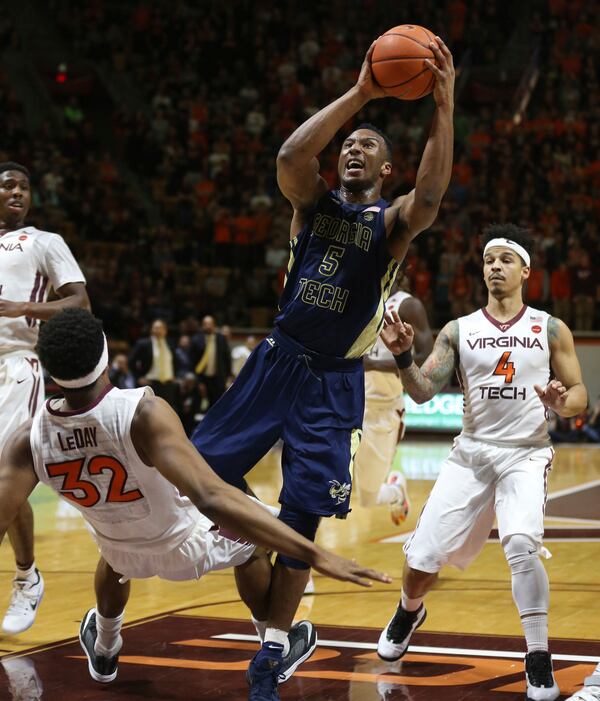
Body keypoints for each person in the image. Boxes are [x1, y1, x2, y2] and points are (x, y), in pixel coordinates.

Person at [191, 37, 455, 700]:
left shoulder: (389, 223)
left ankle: (271, 651)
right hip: (277, 361)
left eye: (368, 145)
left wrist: (443, 104)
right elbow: (288, 156)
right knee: (199, 477)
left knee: (302, 519)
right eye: (348, 144)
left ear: (386, 169)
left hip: (334, 383)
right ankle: (253, 544)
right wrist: (363, 92)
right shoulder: (311, 204)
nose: (354, 148)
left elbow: (430, 194)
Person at [0, 308, 390, 686]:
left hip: (121, 552)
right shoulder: (142, 412)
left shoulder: (25, 440)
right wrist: (315, 554)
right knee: (255, 541)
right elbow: (211, 497)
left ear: (49, 367)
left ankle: (104, 647)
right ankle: (274, 647)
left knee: (113, 550)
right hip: (188, 546)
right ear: (104, 354)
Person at [377, 223, 588, 701]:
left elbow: (579, 396)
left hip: (526, 453)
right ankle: (410, 610)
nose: (495, 266)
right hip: (471, 454)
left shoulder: (550, 327)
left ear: (525, 270)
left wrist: (560, 402)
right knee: (422, 558)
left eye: (505, 260)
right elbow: (424, 391)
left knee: (520, 543)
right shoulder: (459, 330)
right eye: (489, 259)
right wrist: (404, 356)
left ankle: (537, 656)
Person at [0, 162, 90, 635]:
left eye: (24, 186)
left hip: (17, 364)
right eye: (8, 184)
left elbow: (80, 302)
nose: (18, 192)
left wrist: (22, 308)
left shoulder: (43, 241)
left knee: (2, 475)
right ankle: (28, 574)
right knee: (4, 483)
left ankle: (24, 579)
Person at [354, 271, 433, 524]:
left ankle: (396, 490)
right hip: (348, 403)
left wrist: (376, 365)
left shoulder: (408, 305)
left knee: (367, 498)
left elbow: (428, 355)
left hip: (383, 411)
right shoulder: (359, 299)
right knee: (328, 486)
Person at [128, 319, 180, 410]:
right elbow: (131, 361)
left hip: (168, 384)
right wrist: (138, 377)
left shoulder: (171, 344)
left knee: (167, 411)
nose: (158, 330)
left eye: (161, 328)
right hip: (151, 383)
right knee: (149, 411)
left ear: (165, 330)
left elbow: (175, 362)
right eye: (156, 328)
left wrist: (175, 375)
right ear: (151, 330)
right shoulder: (143, 344)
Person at [191, 315, 232, 408]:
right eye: (205, 324)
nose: (208, 326)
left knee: (217, 406)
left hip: (218, 378)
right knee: (201, 406)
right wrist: (198, 381)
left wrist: (229, 375)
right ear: (202, 326)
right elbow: (192, 362)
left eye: (210, 324)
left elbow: (227, 359)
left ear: (214, 325)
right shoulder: (196, 339)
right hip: (202, 379)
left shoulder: (221, 339)